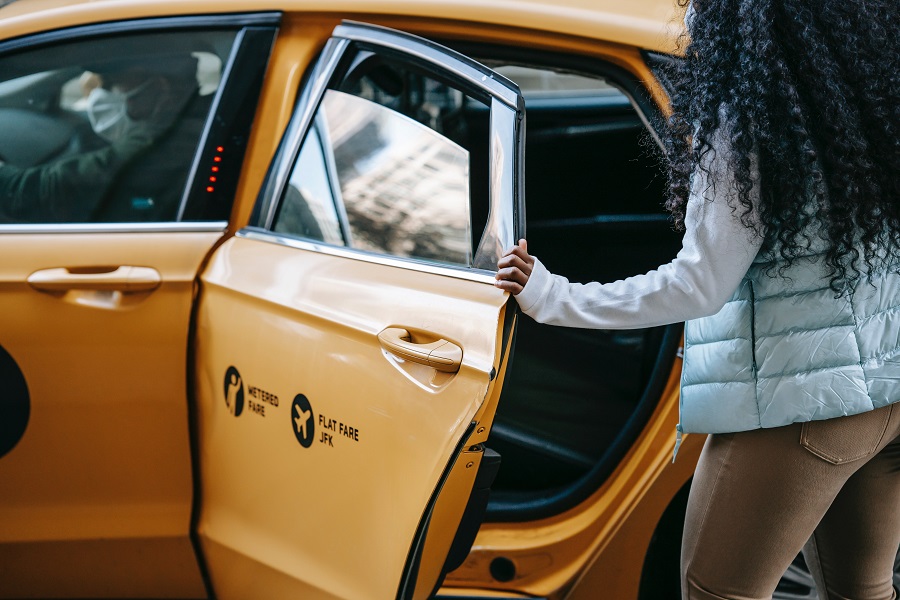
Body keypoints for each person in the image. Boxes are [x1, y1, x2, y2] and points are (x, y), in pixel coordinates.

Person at [495, 0, 900, 598]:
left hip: (797, 407)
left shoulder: (753, 121)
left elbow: (698, 285)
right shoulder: (877, 96)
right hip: (886, 398)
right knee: (860, 591)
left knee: (715, 592)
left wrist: (554, 295)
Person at [0, 57, 199, 223]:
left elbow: (39, 193)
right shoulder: (193, 122)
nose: (101, 95)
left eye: (113, 82)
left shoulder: (165, 144)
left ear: (161, 86)